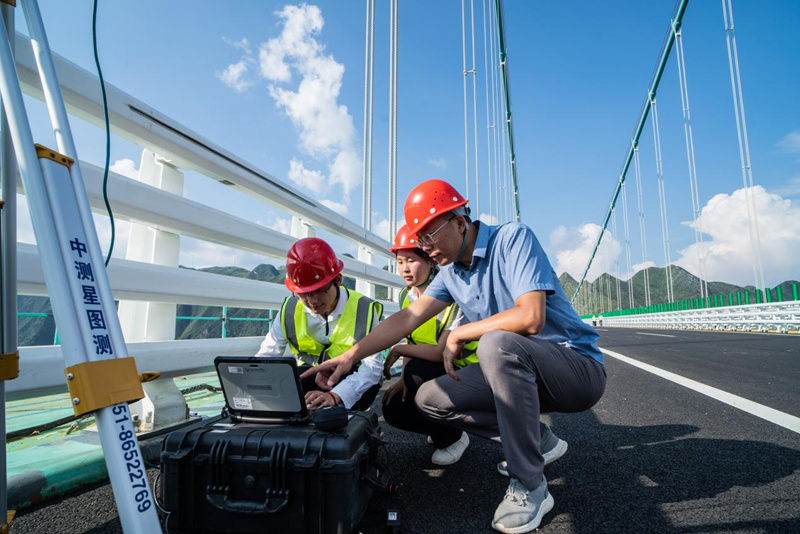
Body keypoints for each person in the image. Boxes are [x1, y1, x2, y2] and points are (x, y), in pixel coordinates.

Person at [303, 180, 606, 533]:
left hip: (575, 370)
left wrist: (462, 332)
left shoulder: (513, 239)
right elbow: (408, 317)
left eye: (428, 237)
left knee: (495, 343)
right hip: (518, 374)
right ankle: (537, 439)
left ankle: (530, 484)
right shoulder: (450, 272)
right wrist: (349, 356)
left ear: (459, 221)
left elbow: (531, 317)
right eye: (420, 241)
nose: (425, 248)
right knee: (430, 398)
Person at [382, 224, 478, 465]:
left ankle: (453, 438)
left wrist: (398, 350)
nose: (405, 268)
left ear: (430, 261)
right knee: (393, 406)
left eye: (411, 261)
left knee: (417, 375)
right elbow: (412, 340)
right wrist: (402, 380)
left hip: (464, 370)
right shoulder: (405, 296)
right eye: (400, 262)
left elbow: (440, 352)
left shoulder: (453, 295)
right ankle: (441, 429)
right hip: (431, 370)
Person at [256, 237, 384, 412]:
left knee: (363, 389)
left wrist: (336, 395)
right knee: (294, 379)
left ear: (338, 280)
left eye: (319, 291)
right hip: (310, 375)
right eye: (304, 294)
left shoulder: (364, 309)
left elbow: (372, 368)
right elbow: (268, 354)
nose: (312, 301)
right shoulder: (290, 309)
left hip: (351, 376)